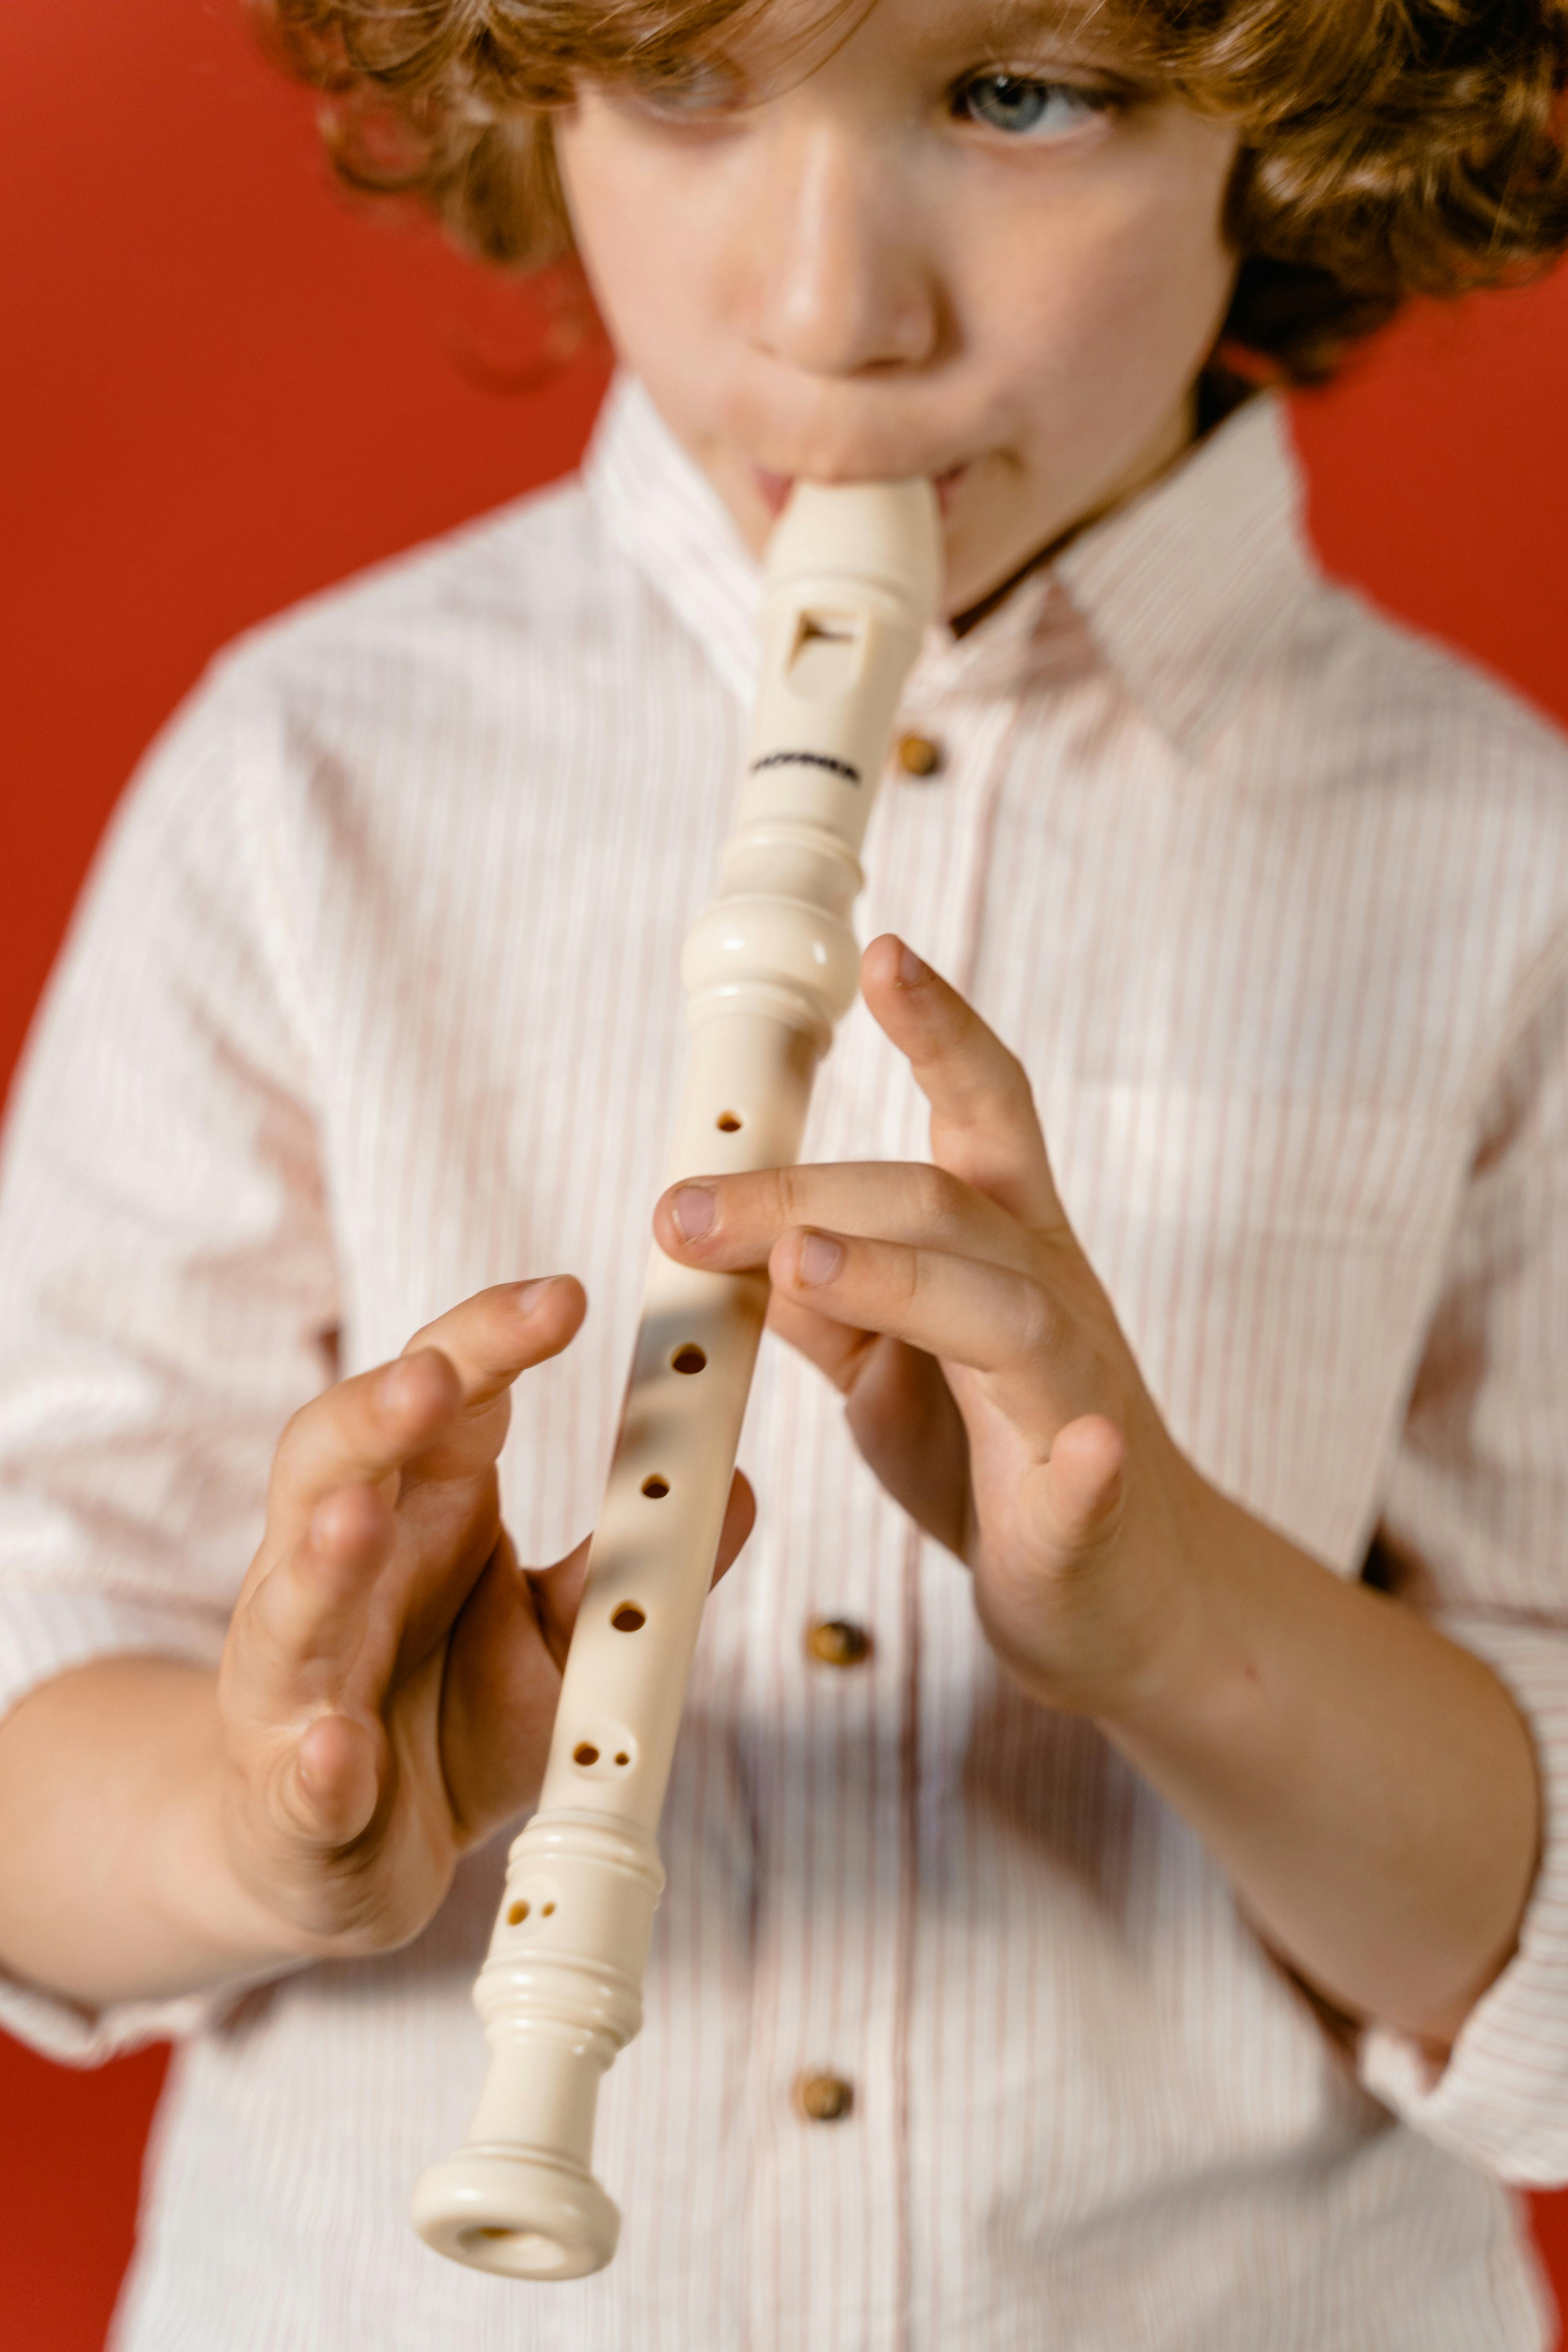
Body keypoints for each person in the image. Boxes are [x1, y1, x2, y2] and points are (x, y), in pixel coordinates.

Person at [2, 0, 1567, 2342]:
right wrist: (261, 1824)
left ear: (1308, 107)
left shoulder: (1502, 860)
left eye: (1021, 91)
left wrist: (1174, 1618)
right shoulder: (306, 779)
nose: (834, 313)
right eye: (684, 79)